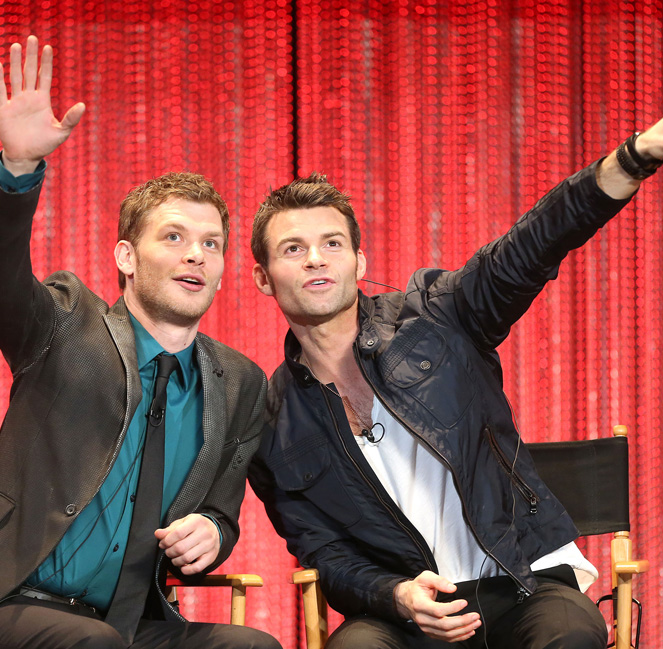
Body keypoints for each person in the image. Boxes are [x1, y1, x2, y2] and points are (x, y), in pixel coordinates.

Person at [248, 104, 663, 648]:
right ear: (262, 277)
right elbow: (325, 554)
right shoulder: (271, 419)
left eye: (332, 243)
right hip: (410, 611)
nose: (315, 260)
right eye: (293, 249)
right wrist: (394, 595)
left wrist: (634, 158)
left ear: (359, 261)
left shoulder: (439, 315)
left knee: (570, 636)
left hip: (523, 580)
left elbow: (532, 246)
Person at [0, 36, 281, 649]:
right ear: (126, 256)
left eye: (211, 244)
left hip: (127, 620)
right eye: (174, 237)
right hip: (14, 601)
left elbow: (223, 508)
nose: (195, 255)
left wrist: (212, 528)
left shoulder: (240, 383)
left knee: (250, 647)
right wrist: (17, 171)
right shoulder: (66, 325)